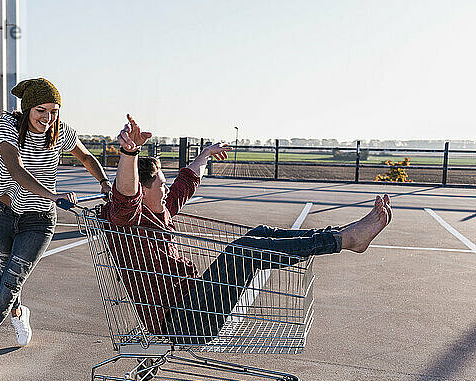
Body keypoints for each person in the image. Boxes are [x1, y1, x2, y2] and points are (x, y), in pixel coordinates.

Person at [101, 114, 393, 345]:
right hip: (181, 320)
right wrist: (130, 152)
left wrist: (205, 154)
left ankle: (342, 235)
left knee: (258, 233)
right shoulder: (127, 220)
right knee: (244, 252)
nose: (166, 189)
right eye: (160, 185)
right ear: (142, 190)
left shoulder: (158, 210)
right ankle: (344, 239)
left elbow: (185, 183)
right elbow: (125, 196)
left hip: (193, 303)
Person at [0, 78, 112, 381]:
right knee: (7, 281)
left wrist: (104, 182)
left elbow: (84, 156)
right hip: (2, 214)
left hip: (38, 221)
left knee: (8, 286)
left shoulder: (60, 132)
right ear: (27, 108)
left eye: (54, 111)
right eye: (41, 110)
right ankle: (18, 314)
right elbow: (16, 170)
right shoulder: (6, 126)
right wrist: (55, 195)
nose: (47, 117)